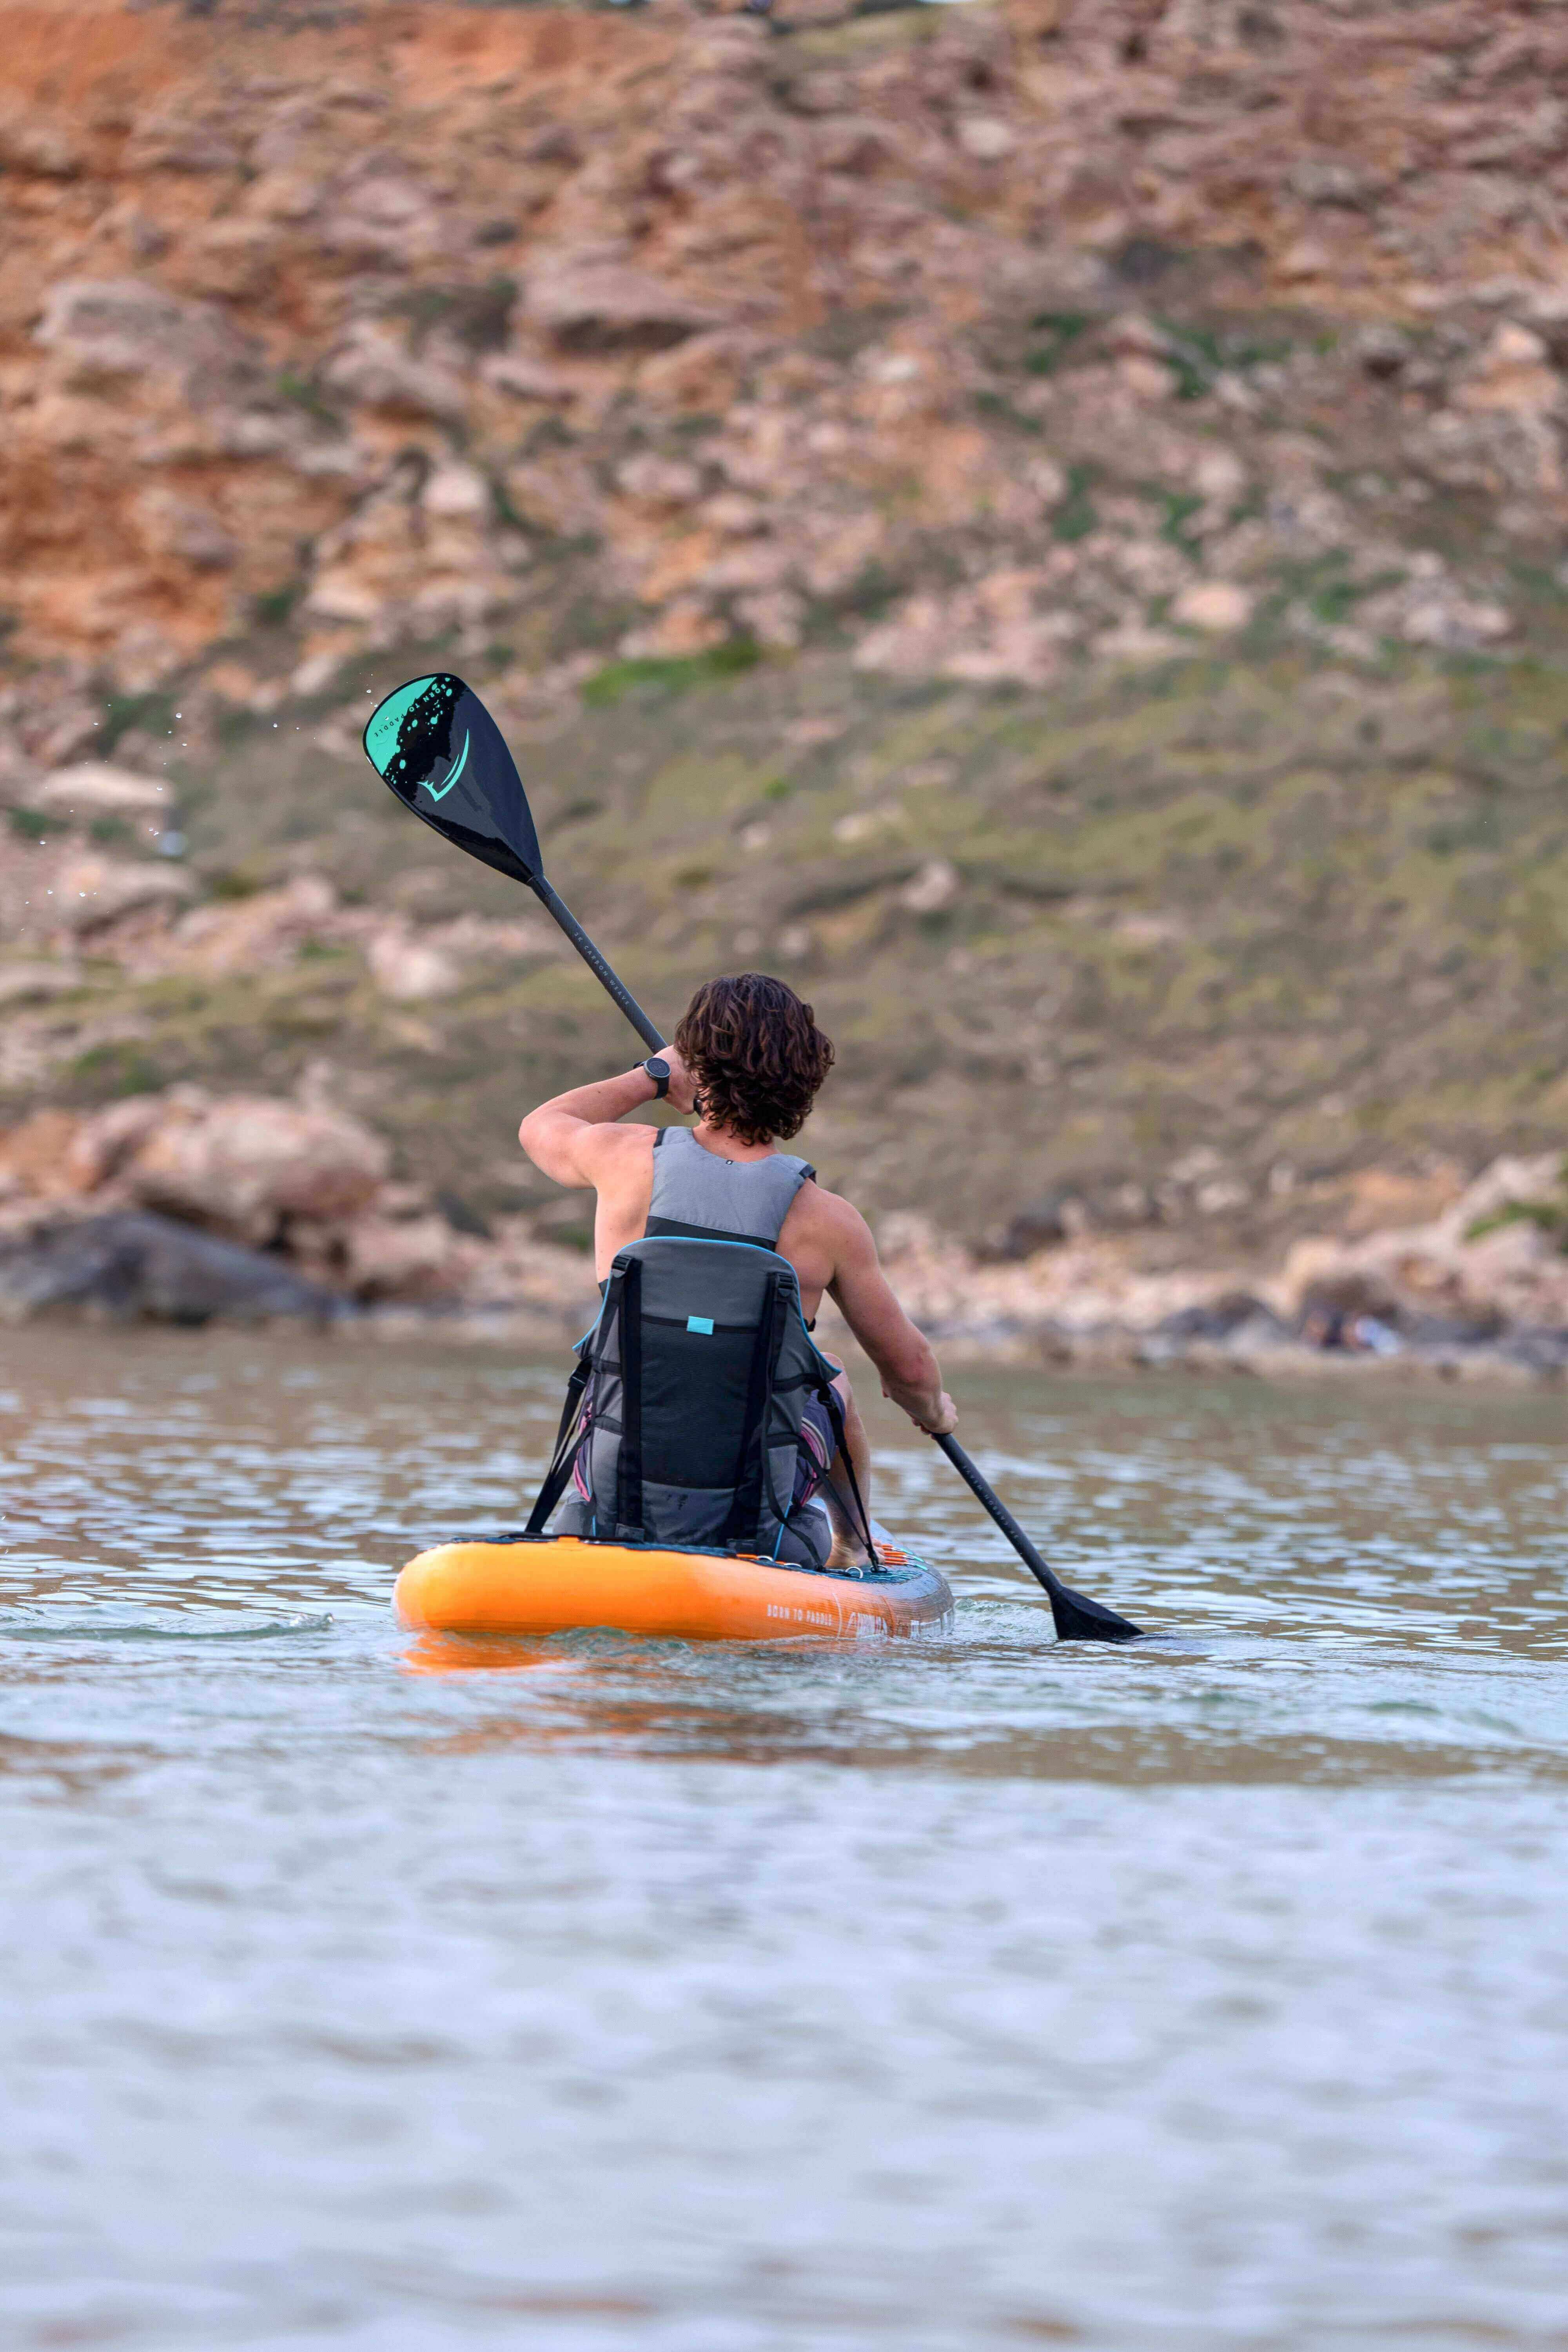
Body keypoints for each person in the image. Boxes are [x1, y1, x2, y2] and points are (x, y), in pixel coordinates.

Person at [519, 972, 956, 1570]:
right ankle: (854, 1550)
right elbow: (909, 1369)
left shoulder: (621, 1159)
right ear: (806, 1082)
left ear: (697, 1067)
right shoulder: (829, 1223)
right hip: (758, 1531)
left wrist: (653, 1075)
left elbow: (541, 1125)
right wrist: (933, 1412)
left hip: (607, 1510)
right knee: (830, 1379)